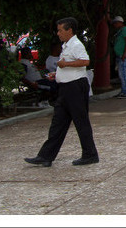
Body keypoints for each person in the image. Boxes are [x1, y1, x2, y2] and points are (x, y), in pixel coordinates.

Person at [25, 17, 99, 167]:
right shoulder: (66, 46)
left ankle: (90, 154)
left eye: (60, 30)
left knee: (81, 121)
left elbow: (85, 61)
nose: (58, 33)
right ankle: (45, 156)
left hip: (75, 87)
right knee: (58, 122)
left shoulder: (76, 44)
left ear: (69, 30)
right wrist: (57, 74)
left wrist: (65, 65)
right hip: (65, 88)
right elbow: (67, 65)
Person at [111, 15, 126, 99]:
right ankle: (123, 91)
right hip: (120, 55)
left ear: (119, 23)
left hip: (123, 55)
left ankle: (125, 92)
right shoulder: (120, 31)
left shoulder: (125, 30)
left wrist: (124, 54)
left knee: (122, 74)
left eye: (115, 23)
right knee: (121, 73)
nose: (114, 25)